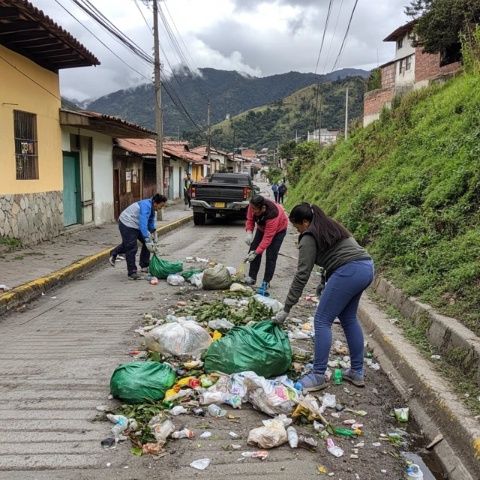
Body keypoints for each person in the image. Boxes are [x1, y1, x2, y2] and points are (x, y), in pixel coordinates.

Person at [274, 203, 374, 392]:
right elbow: (333, 255)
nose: (297, 231)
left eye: (297, 227)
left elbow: (302, 274)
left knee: (322, 320)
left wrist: (286, 308)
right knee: (348, 318)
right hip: (366, 267)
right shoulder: (328, 224)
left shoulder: (309, 236)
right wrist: (324, 280)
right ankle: (357, 371)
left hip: (349, 271)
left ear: (305, 222)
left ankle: (318, 375)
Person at [109, 194, 167, 280]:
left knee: (145, 243)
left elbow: (150, 221)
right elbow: (143, 223)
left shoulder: (152, 208)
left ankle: (144, 265)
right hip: (127, 222)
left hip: (136, 224)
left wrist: (153, 231)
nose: (161, 208)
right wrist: (147, 237)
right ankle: (132, 273)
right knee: (132, 247)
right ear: (155, 203)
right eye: (161, 206)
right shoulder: (145, 206)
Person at [244, 195, 288, 295]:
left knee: (271, 255)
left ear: (263, 208)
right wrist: (249, 232)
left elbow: (267, 238)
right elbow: (250, 220)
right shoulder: (252, 206)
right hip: (261, 228)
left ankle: (266, 281)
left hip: (278, 230)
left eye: (255, 209)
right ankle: (252, 277)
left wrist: (257, 252)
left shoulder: (273, 214)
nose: (253, 211)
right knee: (253, 249)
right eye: (252, 208)